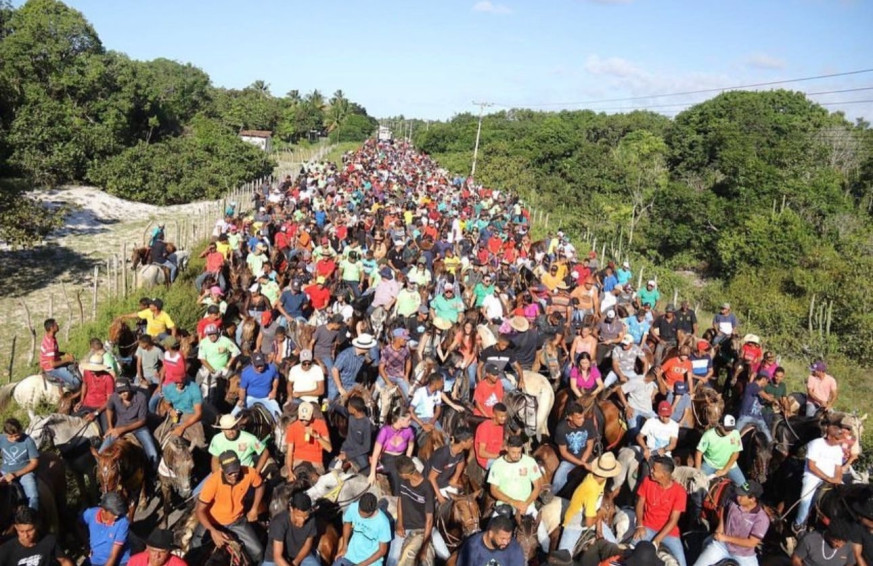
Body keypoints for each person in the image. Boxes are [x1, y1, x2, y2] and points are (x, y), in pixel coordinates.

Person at [193, 451, 265, 563]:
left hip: (236, 520)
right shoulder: (212, 482)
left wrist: (254, 508)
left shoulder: (250, 472)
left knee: (258, 551)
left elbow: (260, 486)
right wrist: (212, 530)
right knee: (194, 547)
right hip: (213, 521)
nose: (233, 476)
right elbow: (200, 510)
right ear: (221, 469)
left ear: (239, 464)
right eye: (229, 473)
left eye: (235, 471)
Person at [488, 435, 550, 551]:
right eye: (513, 452)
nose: (516, 455)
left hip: (527, 506)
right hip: (505, 506)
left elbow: (537, 486)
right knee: (490, 534)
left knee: (544, 538)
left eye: (519, 452)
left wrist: (525, 504)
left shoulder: (529, 462)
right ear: (506, 448)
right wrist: (514, 502)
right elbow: (494, 489)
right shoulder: (497, 465)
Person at [693, 480, 770, 566]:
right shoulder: (733, 500)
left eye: (742, 496)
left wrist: (726, 538)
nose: (738, 497)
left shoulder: (761, 519)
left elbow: (751, 542)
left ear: (752, 499)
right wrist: (721, 525)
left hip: (743, 555)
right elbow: (723, 506)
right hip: (722, 546)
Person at [559, 452, 624, 552]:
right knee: (562, 557)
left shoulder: (601, 479)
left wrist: (599, 527)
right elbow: (589, 523)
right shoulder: (591, 489)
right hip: (575, 522)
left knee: (614, 547)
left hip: (593, 516)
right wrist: (600, 514)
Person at [793, 416, 846, 534]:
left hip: (832, 478)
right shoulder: (816, 444)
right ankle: (798, 523)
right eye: (837, 439)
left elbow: (838, 467)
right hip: (813, 476)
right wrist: (827, 478)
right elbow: (812, 466)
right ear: (829, 436)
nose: (839, 441)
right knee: (805, 499)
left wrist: (838, 478)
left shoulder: (838, 449)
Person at [632, 456, 687, 566]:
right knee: (632, 551)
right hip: (647, 527)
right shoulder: (647, 481)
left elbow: (673, 520)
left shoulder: (680, 492)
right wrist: (639, 525)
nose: (651, 471)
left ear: (664, 474)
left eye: (654, 470)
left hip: (669, 533)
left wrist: (658, 539)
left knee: (682, 562)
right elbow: (639, 504)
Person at [100, 379, 158, 472]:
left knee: (153, 454)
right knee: (101, 453)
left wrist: (122, 430)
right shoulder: (114, 397)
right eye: (120, 392)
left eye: (125, 390)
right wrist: (110, 427)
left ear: (130, 389)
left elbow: (142, 420)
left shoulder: (141, 397)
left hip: (138, 428)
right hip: (118, 427)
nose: (123, 394)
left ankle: (152, 476)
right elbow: (109, 408)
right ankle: (104, 478)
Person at [387, 456, 435, 566]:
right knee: (392, 559)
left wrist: (424, 547)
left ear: (404, 474)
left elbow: (429, 520)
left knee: (445, 555)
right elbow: (400, 499)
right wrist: (399, 523)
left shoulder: (427, 487)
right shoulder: (403, 481)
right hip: (405, 526)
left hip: (423, 528)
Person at [0, 506, 74, 566]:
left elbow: (64, 561)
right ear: (16, 528)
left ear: (37, 525)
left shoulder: (49, 541)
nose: (26, 535)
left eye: (30, 530)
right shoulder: (6, 549)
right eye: (21, 531)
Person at [334, 492, 391, 566]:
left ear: (373, 510)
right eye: (360, 511)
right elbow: (347, 523)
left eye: (364, 514)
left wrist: (362, 564)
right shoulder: (353, 507)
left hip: (371, 562)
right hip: (350, 556)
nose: (360, 514)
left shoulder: (383, 522)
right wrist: (344, 547)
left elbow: (382, 550)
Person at [551, 403, 596, 496]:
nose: (582, 420)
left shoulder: (588, 424)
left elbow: (590, 445)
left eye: (583, 417)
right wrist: (582, 464)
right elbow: (563, 452)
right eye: (579, 418)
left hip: (587, 458)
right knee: (557, 483)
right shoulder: (561, 428)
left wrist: (583, 461)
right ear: (570, 417)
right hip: (568, 461)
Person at [263, 492, 319, 566]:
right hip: (274, 560)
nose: (302, 521)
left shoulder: (311, 520)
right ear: (291, 509)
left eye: (305, 517)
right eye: (298, 516)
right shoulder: (279, 522)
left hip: (301, 556)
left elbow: (307, 545)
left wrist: (296, 562)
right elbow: (277, 557)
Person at [368, 409, 415, 495]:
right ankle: (398, 497)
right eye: (409, 420)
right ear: (401, 420)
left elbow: (411, 445)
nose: (410, 422)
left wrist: (408, 459)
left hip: (401, 457)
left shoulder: (409, 431)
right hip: (387, 458)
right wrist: (372, 473)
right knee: (395, 473)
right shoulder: (385, 431)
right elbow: (376, 454)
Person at [695, 414, 746, 486]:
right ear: (719, 425)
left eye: (731, 429)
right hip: (710, 464)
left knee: (744, 487)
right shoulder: (708, 435)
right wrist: (698, 472)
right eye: (727, 429)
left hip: (730, 465)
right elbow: (698, 453)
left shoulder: (735, 433)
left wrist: (725, 470)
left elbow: (736, 453)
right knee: (697, 485)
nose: (729, 432)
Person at [0, 418, 40, 510]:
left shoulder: (28, 441)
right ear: (5, 434)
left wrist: (15, 474)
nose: (14, 439)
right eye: (11, 436)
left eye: (17, 435)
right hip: (4, 471)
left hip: (24, 473)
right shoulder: (1, 439)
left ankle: (32, 517)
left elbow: (34, 462)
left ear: (21, 430)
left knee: (33, 496)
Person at [426, 427, 474, 503]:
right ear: (463, 442)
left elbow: (461, 462)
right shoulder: (442, 455)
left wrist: (455, 479)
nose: (472, 442)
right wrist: (440, 497)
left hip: (445, 483)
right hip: (431, 486)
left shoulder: (460, 452)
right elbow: (431, 478)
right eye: (470, 440)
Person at [82, 492, 131, 566]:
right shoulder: (90, 513)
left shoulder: (123, 522)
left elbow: (113, 556)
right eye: (114, 514)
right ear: (103, 510)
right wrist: (86, 543)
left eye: (118, 514)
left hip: (119, 561)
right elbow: (78, 523)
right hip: (95, 560)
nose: (116, 517)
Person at [635, 401, 680, 481]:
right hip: (651, 455)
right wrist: (645, 448)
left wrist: (665, 449)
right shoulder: (650, 422)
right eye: (663, 416)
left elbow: (673, 443)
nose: (665, 418)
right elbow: (639, 437)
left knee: (673, 476)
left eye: (667, 416)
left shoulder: (674, 426)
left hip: (666, 455)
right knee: (645, 474)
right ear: (659, 414)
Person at [285, 402, 331, 477]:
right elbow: (289, 453)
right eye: (302, 419)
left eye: (306, 419)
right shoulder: (292, 427)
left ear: (312, 415)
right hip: (298, 460)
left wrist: (316, 436)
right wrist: (290, 471)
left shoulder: (320, 424)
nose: (304, 422)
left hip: (315, 461)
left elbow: (329, 448)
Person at [458, 515, 525, 566]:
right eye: (502, 538)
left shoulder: (514, 548)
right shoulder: (471, 548)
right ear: (490, 534)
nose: (506, 542)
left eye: (509, 538)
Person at [232, 353, 281, 418]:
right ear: (252, 363)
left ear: (264, 361)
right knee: (233, 415)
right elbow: (242, 389)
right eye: (257, 366)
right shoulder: (246, 373)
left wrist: (274, 390)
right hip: (250, 398)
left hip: (267, 398)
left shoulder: (271, 368)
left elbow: (276, 378)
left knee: (279, 414)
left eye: (261, 365)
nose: (260, 368)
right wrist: (241, 400)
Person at [76, 354, 116, 433]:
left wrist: (96, 412)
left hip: (102, 407)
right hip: (87, 404)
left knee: (106, 430)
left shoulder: (108, 378)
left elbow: (109, 399)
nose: (91, 370)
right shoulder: (87, 372)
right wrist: (81, 400)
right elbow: (84, 384)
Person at [330, 334, 376, 401]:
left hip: (351, 383)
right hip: (339, 383)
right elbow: (334, 370)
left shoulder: (362, 357)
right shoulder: (346, 355)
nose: (370, 349)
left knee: (367, 399)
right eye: (369, 347)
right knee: (332, 401)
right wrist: (340, 388)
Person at [39, 318, 81, 391]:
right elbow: (53, 364)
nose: (58, 325)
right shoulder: (50, 344)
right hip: (52, 369)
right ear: (52, 328)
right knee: (76, 382)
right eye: (56, 324)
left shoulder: (49, 337)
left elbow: (53, 353)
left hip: (52, 363)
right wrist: (67, 359)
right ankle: (70, 394)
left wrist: (64, 353)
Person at [736, 372, 773, 442]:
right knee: (733, 437)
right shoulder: (752, 386)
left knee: (769, 440)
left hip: (758, 418)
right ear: (763, 379)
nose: (767, 384)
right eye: (767, 381)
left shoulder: (759, 391)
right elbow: (766, 396)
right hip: (746, 416)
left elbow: (763, 400)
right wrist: (772, 399)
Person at [378, 328, 413, 400]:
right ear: (397, 338)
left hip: (400, 376)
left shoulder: (406, 349)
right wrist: (388, 382)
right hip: (387, 375)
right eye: (404, 339)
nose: (406, 341)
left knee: (409, 397)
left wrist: (406, 375)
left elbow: (408, 360)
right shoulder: (387, 350)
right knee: (375, 393)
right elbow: (381, 368)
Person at [475, 402, 507, 470]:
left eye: (505, 416)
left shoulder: (500, 427)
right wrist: (498, 456)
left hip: (496, 455)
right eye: (501, 416)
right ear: (494, 415)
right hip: (486, 460)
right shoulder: (485, 427)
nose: (504, 418)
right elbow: (481, 452)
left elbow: (497, 446)